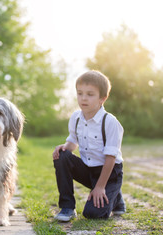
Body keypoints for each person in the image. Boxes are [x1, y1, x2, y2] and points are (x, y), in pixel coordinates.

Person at [52, 70, 125, 222]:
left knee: (93, 213)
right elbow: (73, 141)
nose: (83, 98)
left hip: (110, 173)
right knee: (62, 156)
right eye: (80, 93)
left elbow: (111, 157)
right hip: (88, 169)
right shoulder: (75, 117)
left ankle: (115, 196)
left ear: (102, 99)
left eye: (90, 94)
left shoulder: (110, 122)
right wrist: (64, 147)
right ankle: (67, 207)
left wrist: (100, 187)